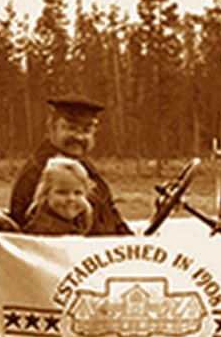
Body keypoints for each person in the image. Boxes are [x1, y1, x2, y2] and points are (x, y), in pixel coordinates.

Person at [8, 95, 132, 235]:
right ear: (52, 128)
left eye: (86, 131)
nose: (79, 137)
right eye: (71, 129)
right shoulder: (41, 171)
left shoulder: (84, 166)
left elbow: (110, 213)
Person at [23, 157, 94, 235]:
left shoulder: (82, 221)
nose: (71, 198)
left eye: (78, 193)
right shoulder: (42, 230)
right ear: (45, 193)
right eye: (62, 192)